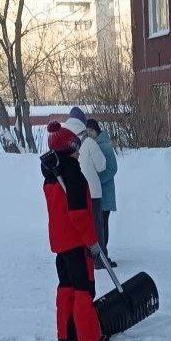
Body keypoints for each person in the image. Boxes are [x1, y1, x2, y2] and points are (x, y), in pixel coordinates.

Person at [40, 121, 107, 341]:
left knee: (66, 285)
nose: (79, 153)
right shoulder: (73, 176)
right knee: (83, 288)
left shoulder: (50, 177)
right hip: (76, 241)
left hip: (60, 243)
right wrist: (92, 241)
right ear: (69, 149)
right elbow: (78, 214)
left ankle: (65, 333)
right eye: (76, 148)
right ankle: (88, 337)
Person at [64, 112, 106, 268]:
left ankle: (83, 258)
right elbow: (102, 166)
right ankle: (99, 261)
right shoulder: (89, 143)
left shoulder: (64, 142)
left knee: (79, 227)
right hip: (93, 192)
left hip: (70, 191)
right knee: (95, 226)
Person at [86, 118, 118, 268]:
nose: (89, 134)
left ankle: (103, 256)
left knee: (102, 225)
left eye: (91, 131)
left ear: (96, 130)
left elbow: (112, 168)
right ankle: (100, 256)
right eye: (87, 131)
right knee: (98, 225)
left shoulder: (104, 146)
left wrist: (97, 180)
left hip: (105, 193)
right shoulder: (92, 145)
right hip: (97, 192)